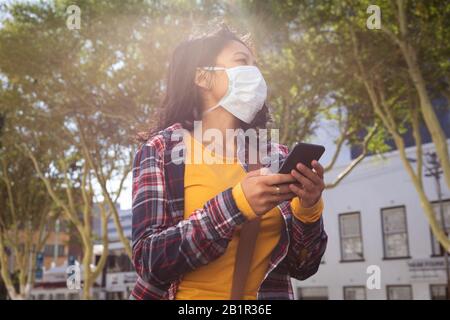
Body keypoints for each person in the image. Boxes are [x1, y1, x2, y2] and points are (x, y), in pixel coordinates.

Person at [130, 24, 327, 300]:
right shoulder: (161, 151)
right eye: (241, 62)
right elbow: (149, 260)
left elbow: (303, 266)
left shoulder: (275, 157)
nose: (254, 74)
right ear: (203, 76)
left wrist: (308, 209)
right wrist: (236, 204)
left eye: (255, 65)